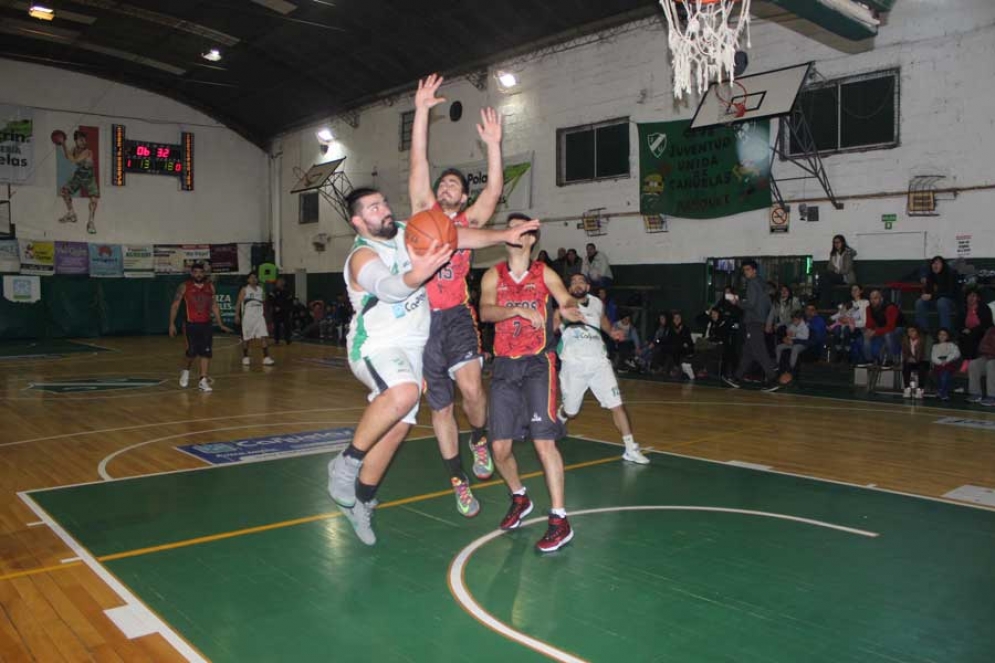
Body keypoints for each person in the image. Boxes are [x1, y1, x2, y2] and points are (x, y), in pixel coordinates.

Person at [326, 188, 541, 544]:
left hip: (413, 346)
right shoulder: (362, 257)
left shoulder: (405, 230)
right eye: (373, 207)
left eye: (383, 202)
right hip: (377, 345)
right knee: (405, 392)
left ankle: (360, 502)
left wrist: (503, 235)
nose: (383, 209)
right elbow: (389, 287)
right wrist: (419, 273)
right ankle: (345, 464)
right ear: (358, 221)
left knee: (395, 429)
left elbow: (456, 236)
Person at [409, 73, 504, 517]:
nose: (445, 185)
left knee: (472, 391)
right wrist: (422, 113)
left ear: (462, 197)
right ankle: (458, 479)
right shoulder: (422, 213)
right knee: (441, 408)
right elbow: (418, 164)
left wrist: (494, 146)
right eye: (442, 183)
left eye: (453, 185)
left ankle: (480, 438)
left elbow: (495, 192)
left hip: (457, 316)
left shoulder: (465, 225)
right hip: (422, 323)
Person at [479, 213, 583, 553]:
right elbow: (486, 312)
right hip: (505, 367)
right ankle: (519, 497)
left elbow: (564, 297)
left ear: (530, 239)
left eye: (522, 230)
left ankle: (559, 518)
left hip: (539, 364)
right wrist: (519, 312)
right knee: (499, 450)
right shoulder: (493, 275)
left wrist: (568, 308)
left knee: (543, 444)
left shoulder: (544, 273)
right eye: (511, 228)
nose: (514, 234)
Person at [556, 273, 649, 465]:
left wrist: (611, 331)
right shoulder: (563, 305)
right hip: (574, 365)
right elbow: (552, 326)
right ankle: (561, 415)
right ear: (569, 289)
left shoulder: (597, 303)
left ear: (588, 287)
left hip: (599, 362)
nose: (577, 284)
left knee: (617, 404)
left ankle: (630, 448)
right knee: (572, 412)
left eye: (581, 281)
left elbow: (603, 319)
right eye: (573, 282)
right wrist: (557, 318)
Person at [724, 260, 789, 391]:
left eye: (748, 269)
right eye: (744, 270)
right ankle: (736, 378)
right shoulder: (761, 282)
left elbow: (751, 304)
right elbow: (766, 303)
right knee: (748, 352)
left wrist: (735, 301)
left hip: (753, 321)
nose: (746, 272)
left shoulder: (752, 283)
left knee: (760, 352)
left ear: (754, 270)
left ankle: (773, 379)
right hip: (759, 321)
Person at [168, 263, 232, 392]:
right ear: (192, 273)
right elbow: (175, 305)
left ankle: (203, 380)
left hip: (206, 324)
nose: (198, 274)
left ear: (204, 273)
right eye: (196, 272)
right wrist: (171, 323)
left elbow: (214, 305)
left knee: (206, 352)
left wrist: (220, 323)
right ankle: (185, 370)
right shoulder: (184, 286)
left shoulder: (210, 287)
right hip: (191, 324)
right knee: (191, 352)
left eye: (200, 272)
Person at [58, 130, 99, 234]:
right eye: (80, 139)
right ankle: (71, 213)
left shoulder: (88, 152)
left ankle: (91, 222)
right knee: (64, 192)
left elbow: (74, 160)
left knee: (94, 200)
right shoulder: (74, 149)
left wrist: (64, 144)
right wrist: (63, 144)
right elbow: (68, 156)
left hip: (89, 178)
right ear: (76, 141)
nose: (83, 141)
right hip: (79, 176)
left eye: (84, 139)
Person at [234, 271, 274, 366]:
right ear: (248, 280)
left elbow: (264, 301)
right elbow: (238, 303)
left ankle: (266, 357)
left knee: (263, 336)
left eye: (255, 277)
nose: (253, 279)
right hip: (248, 316)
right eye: (251, 277)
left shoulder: (261, 289)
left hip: (259, 317)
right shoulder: (244, 289)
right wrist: (236, 315)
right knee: (247, 338)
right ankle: (245, 357)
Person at [862, 288, 905, 367]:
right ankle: (870, 360)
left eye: (875, 298)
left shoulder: (890, 307)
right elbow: (869, 324)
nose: (872, 301)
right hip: (882, 328)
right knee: (866, 335)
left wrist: (875, 332)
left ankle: (892, 359)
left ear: (881, 298)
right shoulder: (868, 308)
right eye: (871, 298)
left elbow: (891, 327)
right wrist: (868, 330)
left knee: (888, 335)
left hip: (897, 328)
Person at [916, 256, 958, 333]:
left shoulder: (950, 274)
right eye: (933, 263)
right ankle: (923, 331)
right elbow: (929, 292)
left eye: (938, 263)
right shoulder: (930, 275)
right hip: (935, 301)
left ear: (943, 265)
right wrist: (925, 296)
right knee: (920, 302)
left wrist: (932, 296)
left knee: (941, 302)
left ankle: (945, 332)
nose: (935, 265)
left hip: (951, 301)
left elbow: (950, 293)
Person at [829, 284, 869, 363]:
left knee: (846, 330)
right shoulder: (849, 303)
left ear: (861, 291)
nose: (853, 292)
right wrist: (838, 318)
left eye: (856, 290)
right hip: (845, 323)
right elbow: (840, 314)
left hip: (857, 326)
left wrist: (849, 321)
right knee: (837, 330)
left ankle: (847, 353)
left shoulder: (865, 302)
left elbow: (863, 322)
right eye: (852, 290)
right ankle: (838, 352)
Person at [819, 234, 857, 307]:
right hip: (835, 276)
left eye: (838, 242)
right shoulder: (833, 254)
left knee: (825, 276)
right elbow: (829, 267)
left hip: (846, 277)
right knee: (825, 278)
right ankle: (826, 302)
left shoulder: (847, 253)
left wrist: (837, 271)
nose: (836, 244)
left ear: (842, 243)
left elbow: (846, 269)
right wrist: (835, 271)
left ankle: (825, 302)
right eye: (834, 242)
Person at [958, 290, 993, 361]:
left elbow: (987, 323)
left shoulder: (984, 307)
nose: (971, 298)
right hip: (967, 330)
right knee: (963, 336)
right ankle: (966, 360)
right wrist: (963, 329)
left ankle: (972, 360)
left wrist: (972, 330)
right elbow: (957, 323)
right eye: (969, 296)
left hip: (982, 330)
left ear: (978, 298)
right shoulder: (963, 308)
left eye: (974, 296)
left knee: (972, 336)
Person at [967, 326, 995, 406]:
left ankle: (992, 396)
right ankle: (976, 393)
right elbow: (982, 347)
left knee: (991, 364)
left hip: (991, 360)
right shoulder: (991, 330)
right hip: (989, 357)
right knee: (973, 364)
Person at [776, 310, 809, 376]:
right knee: (779, 347)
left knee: (795, 349)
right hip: (792, 342)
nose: (794, 322)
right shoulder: (793, 324)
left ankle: (791, 367)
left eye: (795, 320)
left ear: (800, 319)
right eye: (793, 320)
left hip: (802, 344)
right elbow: (789, 331)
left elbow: (805, 337)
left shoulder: (805, 326)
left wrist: (795, 335)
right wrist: (787, 336)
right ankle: (778, 364)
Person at [931, 328, 961, 402]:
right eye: (940, 334)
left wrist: (947, 360)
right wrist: (940, 362)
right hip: (938, 364)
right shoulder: (935, 346)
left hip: (949, 363)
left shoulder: (951, 344)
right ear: (937, 336)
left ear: (948, 336)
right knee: (938, 375)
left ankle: (943, 392)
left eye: (944, 334)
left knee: (945, 375)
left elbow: (956, 354)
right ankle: (940, 389)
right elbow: (933, 357)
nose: (942, 336)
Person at [900, 325, 929, 399]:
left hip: (923, 360)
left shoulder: (925, 339)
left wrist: (916, 359)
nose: (910, 333)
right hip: (911, 360)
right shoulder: (905, 339)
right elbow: (904, 352)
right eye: (908, 331)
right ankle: (907, 388)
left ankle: (920, 389)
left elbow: (927, 354)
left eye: (912, 331)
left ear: (917, 331)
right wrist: (908, 358)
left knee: (922, 367)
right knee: (905, 365)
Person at [268, 278, 293, 345]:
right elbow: (270, 300)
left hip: (285, 311)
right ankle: (277, 339)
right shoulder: (273, 291)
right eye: (279, 282)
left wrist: (283, 308)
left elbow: (289, 302)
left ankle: (288, 339)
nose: (280, 283)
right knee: (276, 326)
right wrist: (275, 307)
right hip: (276, 312)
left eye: (281, 282)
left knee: (287, 325)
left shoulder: (287, 291)